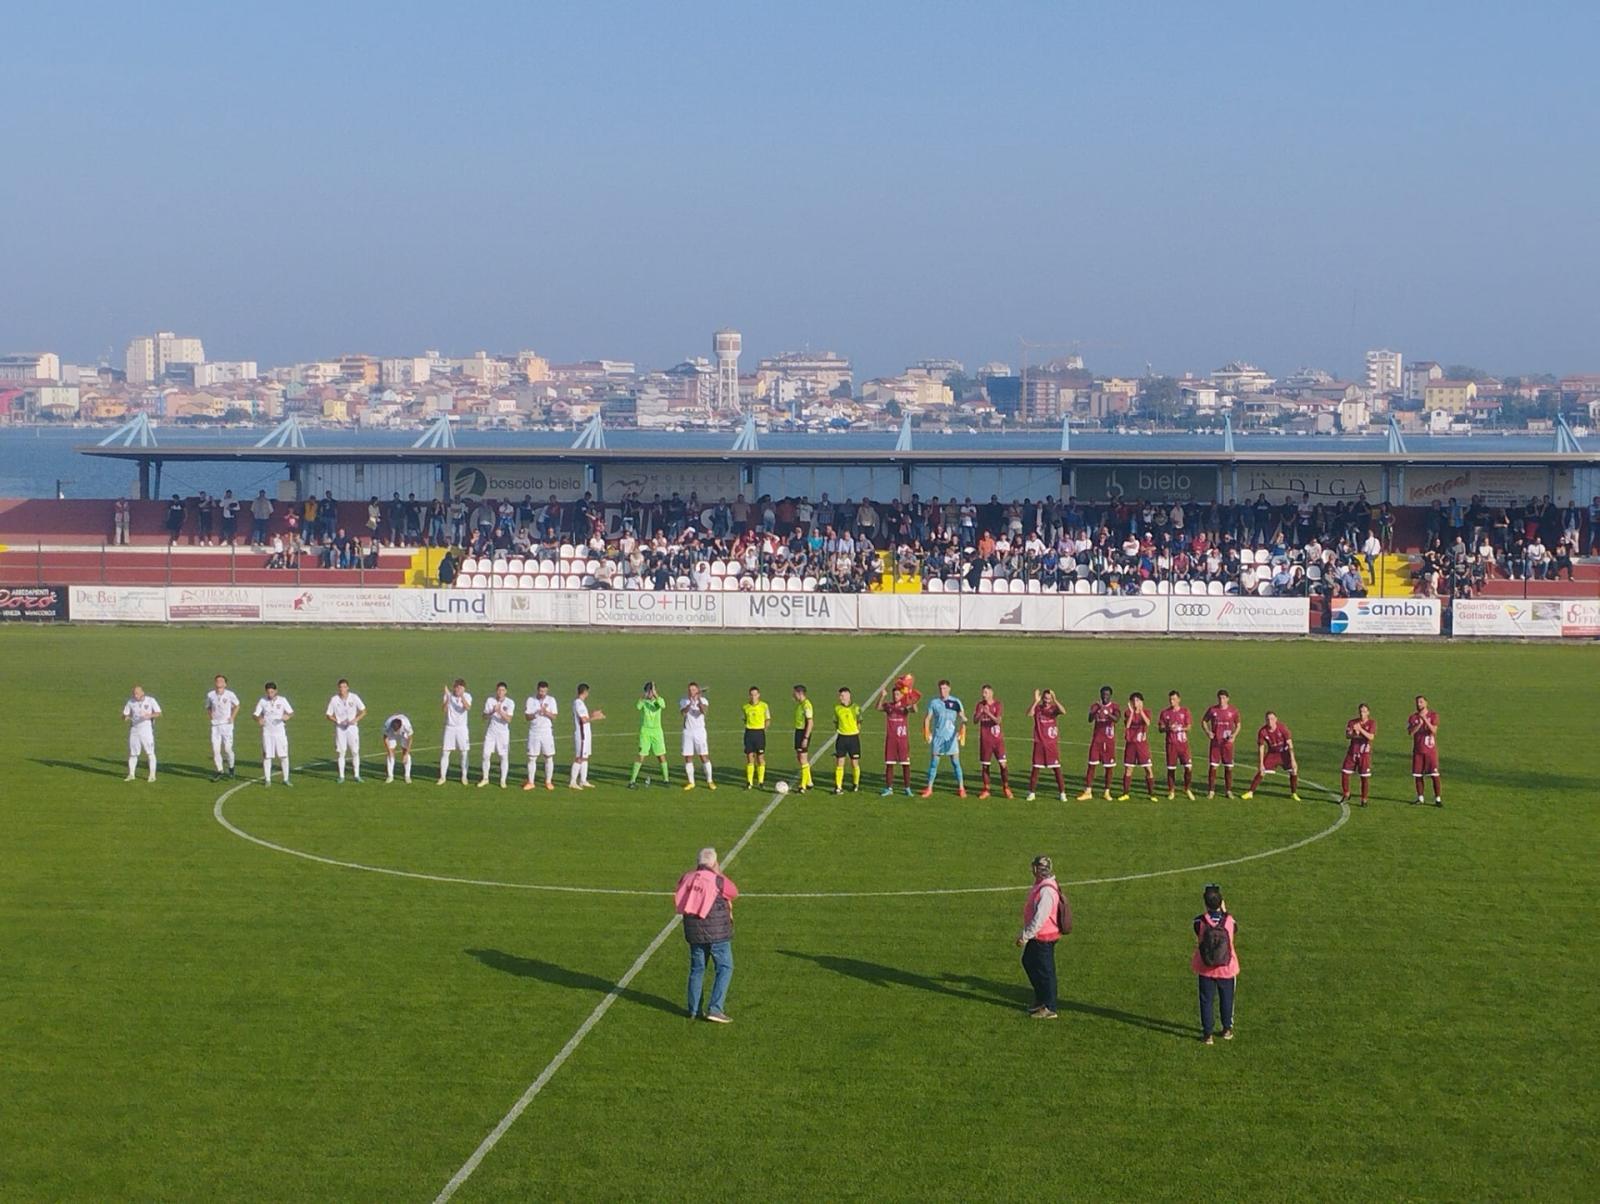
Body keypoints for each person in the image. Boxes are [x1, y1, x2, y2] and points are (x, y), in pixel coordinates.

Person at [675, 847, 739, 1023]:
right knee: (725, 968)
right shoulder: (718, 880)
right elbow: (733, 892)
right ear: (714, 863)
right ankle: (715, 1008)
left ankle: (693, 1009)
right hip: (717, 933)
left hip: (694, 932)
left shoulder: (686, 878)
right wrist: (719, 873)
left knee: (697, 969)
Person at [1015, 854, 1070, 1019]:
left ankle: (1049, 1006)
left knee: (1045, 971)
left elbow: (1040, 918)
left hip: (1043, 937)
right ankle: (1041, 999)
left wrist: (1025, 936)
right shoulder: (1044, 885)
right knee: (1029, 962)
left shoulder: (1046, 891)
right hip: (1041, 936)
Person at [1193, 883, 1239, 1045]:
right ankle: (1227, 1029)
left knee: (1206, 1000)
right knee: (1227, 999)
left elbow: (1197, 931)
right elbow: (1235, 928)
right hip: (1226, 968)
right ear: (1221, 902)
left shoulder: (1199, 921)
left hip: (1206, 968)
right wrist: (1225, 911)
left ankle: (1208, 1035)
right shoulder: (1230, 921)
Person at [920, 679, 967, 798]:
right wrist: (927, 732)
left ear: (949, 689)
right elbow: (927, 719)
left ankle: (961, 788)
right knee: (934, 763)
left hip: (951, 738)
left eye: (945, 688)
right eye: (940, 689)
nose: (942, 691)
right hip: (938, 738)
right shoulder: (934, 703)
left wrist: (961, 731)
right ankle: (929, 788)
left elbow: (962, 717)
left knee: (956, 762)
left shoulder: (956, 702)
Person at [1241, 711, 1299, 800]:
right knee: (1261, 771)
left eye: (1272, 719)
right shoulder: (1263, 731)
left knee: (1294, 770)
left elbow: (1290, 744)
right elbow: (1261, 747)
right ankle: (1250, 792)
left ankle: (1294, 793)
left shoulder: (1282, 728)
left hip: (1284, 753)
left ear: (1276, 719)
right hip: (1272, 754)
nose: (1270, 721)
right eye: (1268, 719)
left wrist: (1293, 759)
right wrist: (1261, 763)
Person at [1077, 685, 1120, 801]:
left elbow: (1116, 719)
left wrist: (1106, 712)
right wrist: (1095, 710)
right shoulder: (1095, 706)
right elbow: (1090, 719)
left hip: (1109, 741)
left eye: (1107, 695)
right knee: (1091, 765)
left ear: (1110, 695)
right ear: (1100, 695)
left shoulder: (1114, 706)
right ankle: (1088, 791)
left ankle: (1107, 791)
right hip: (1096, 741)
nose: (1105, 697)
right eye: (1103, 694)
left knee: (1109, 767)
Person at [877, 676, 918, 796]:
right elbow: (878, 707)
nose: (896, 696)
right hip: (891, 740)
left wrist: (910, 697)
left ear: (902, 695)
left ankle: (907, 788)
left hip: (903, 741)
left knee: (905, 764)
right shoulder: (889, 706)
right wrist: (882, 696)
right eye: (894, 694)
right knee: (889, 764)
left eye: (898, 694)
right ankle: (889, 788)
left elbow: (915, 710)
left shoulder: (905, 706)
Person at [1026, 687, 1067, 802]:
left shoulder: (1054, 709)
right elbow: (1029, 714)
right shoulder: (1038, 709)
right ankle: (1032, 792)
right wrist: (1035, 701)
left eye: (1049, 699)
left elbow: (1063, 711)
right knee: (1036, 769)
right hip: (1039, 743)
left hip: (1051, 745)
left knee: (1056, 769)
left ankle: (1062, 793)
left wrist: (1055, 699)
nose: (1047, 701)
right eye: (1045, 698)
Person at [628, 681, 670, 788]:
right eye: (649, 691)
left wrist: (656, 695)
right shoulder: (643, 702)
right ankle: (632, 781)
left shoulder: (659, 700)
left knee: (661, 755)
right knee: (641, 755)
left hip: (657, 732)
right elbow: (638, 706)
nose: (651, 693)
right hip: (645, 732)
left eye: (652, 691)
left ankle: (666, 780)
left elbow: (663, 705)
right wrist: (644, 697)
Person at [974, 684, 1013, 799]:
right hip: (985, 740)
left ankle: (1006, 788)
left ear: (991, 693)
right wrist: (981, 713)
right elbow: (975, 721)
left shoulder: (998, 704)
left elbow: (998, 721)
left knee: (1003, 764)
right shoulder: (980, 705)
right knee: (985, 766)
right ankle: (986, 789)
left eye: (986, 692)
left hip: (997, 741)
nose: (983, 695)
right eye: (983, 693)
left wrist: (988, 713)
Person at [325, 678, 367, 784]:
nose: (342, 689)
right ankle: (341, 776)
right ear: (338, 688)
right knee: (341, 752)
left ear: (348, 687)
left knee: (355, 751)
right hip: (340, 729)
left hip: (352, 728)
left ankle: (357, 775)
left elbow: (363, 711)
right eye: (340, 687)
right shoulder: (334, 699)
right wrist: (338, 721)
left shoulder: (354, 697)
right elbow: (328, 715)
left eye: (344, 687)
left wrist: (355, 720)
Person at [1202, 689, 1241, 800]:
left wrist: (1234, 735)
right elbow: (1204, 721)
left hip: (1227, 744)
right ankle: (1211, 791)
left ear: (1228, 699)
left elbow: (1238, 725)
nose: (1221, 700)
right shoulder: (1213, 710)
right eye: (1220, 698)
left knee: (1228, 768)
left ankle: (1228, 791)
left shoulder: (1233, 711)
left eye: (1224, 698)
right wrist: (1208, 732)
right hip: (1215, 743)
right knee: (1213, 767)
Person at [253, 682, 294, 787]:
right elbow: (255, 714)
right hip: (267, 733)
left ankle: (286, 779)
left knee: (284, 756)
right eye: (268, 692)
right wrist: (259, 719)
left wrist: (287, 717)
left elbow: (291, 712)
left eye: (272, 692)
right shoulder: (263, 701)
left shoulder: (282, 700)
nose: (270, 694)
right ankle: (267, 780)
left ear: (276, 691)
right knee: (267, 756)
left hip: (280, 733)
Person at [1159, 690, 1195, 800]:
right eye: (1170, 699)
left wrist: (1180, 728)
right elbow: (1160, 728)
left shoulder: (1185, 711)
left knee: (1188, 768)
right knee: (1171, 769)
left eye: (1174, 699)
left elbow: (1189, 727)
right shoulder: (1165, 713)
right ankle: (1171, 791)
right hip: (1171, 745)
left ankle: (1187, 788)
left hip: (1183, 745)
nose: (1172, 701)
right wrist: (1168, 728)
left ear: (1179, 699)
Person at [522, 681, 559, 792]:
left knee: (548, 756)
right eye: (541, 691)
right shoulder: (531, 700)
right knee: (532, 757)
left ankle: (548, 781)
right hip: (534, 732)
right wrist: (536, 713)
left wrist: (546, 712)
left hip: (547, 732)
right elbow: (527, 717)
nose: (542, 693)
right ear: (537, 689)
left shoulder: (551, 700)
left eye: (544, 691)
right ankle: (531, 782)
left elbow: (554, 716)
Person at [1407, 695, 1442, 807]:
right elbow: (1410, 732)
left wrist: (1425, 720)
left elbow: (1433, 731)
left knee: (1434, 775)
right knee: (1418, 775)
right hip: (1418, 750)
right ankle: (1420, 798)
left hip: (1430, 751)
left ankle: (1438, 798)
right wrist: (1419, 724)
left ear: (1426, 703)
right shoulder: (1413, 717)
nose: (1419, 704)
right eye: (1417, 702)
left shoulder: (1433, 715)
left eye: (1421, 702)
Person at [122, 684, 162, 782]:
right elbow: (125, 714)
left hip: (146, 729)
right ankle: (131, 774)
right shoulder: (130, 702)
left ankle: (152, 775)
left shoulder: (150, 700)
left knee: (150, 752)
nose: (135, 695)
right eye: (134, 694)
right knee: (133, 753)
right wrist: (125, 717)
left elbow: (159, 713)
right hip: (134, 729)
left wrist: (149, 715)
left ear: (142, 693)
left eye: (137, 693)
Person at [678, 682, 714, 791]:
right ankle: (691, 782)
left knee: (703, 756)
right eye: (690, 690)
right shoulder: (684, 701)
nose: (691, 691)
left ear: (697, 690)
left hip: (700, 732)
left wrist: (698, 701)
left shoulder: (703, 701)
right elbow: (683, 713)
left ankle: (710, 780)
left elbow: (704, 712)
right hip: (688, 732)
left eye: (693, 689)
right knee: (688, 757)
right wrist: (689, 704)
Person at [204, 673, 239, 781]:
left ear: (225, 684)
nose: (219, 682)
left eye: (221, 681)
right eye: (217, 680)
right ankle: (219, 771)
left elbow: (237, 705)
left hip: (226, 725)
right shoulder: (210, 695)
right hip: (215, 726)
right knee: (216, 750)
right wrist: (211, 717)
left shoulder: (230, 694)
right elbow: (208, 707)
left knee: (228, 749)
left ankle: (231, 767)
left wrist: (232, 717)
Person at [480, 682, 515, 788]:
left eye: (503, 690)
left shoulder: (510, 702)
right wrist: (492, 711)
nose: (501, 692)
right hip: (491, 732)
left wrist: (500, 711)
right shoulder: (490, 701)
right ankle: (485, 778)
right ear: (496, 690)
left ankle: (503, 780)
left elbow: (509, 719)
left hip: (503, 734)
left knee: (503, 756)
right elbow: (484, 717)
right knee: (486, 755)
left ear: (506, 691)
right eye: (499, 690)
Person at [1340, 703, 1376, 807]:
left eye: (1364, 711)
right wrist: (1354, 733)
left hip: (1364, 754)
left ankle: (1364, 799)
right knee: (1345, 772)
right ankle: (1346, 793)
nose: (1362, 713)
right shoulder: (1352, 722)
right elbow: (1347, 735)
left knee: (1364, 777)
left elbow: (1371, 737)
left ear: (1368, 712)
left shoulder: (1372, 723)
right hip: (1352, 752)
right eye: (1360, 711)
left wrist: (1360, 730)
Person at [438, 679, 473, 786]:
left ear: (463, 688)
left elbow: (467, 707)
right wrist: (448, 698)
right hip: (450, 728)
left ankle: (464, 776)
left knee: (464, 752)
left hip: (462, 728)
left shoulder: (467, 696)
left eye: (460, 688)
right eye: (456, 687)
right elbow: (443, 710)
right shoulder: (449, 696)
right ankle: (443, 776)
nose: (458, 689)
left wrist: (461, 696)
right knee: (445, 752)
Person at [569, 683, 603, 789]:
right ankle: (573, 782)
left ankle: (583, 780)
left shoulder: (581, 703)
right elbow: (583, 719)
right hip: (582, 735)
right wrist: (595, 717)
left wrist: (592, 714)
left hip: (586, 734)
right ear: (585, 692)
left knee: (585, 757)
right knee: (579, 758)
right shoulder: (578, 703)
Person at [833, 687, 862, 794]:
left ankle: (855, 784)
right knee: (840, 763)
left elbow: (859, 722)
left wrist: (856, 731)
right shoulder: (837, 708)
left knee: (854, 763)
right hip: (842, 738)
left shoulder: (856, 708)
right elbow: (835, 722)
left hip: (853, 738)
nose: (840, 698)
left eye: (842, 695)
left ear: (848, 696)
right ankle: (838, 787)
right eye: (840, 696)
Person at [741, 686, 770, 789]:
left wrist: (764, 730)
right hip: (749, 733)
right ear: (749, 695)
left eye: (755, 694)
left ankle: (761, 781)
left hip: (759, 733)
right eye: (751, 695)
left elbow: (767, 719)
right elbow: (745, 719)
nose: (753, 697)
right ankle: (749, 782)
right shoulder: (745, 707)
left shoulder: (764, 706)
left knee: (760, 757)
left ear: (759, 695)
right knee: (749, 757)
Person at [791, 684, 814, 793]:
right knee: (800, 758)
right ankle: (809, 782)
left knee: (803, 759)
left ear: (800, 693)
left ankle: (802, 786)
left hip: (803, 733)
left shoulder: (806, 705)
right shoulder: (800, 704)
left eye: (794, 693)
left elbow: (810, 722)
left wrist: (806, 737)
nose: (793, 695)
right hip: (798, 732)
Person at [383, 713, 414, 783]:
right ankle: (390, 776)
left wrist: (406, 754)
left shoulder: (406, 725)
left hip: (404, 733)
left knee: (405, 751)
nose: (396, 732)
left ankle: (407, 776)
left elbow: (410, 739)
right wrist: (389, 751)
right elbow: (385, 738)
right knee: (390, 752)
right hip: (391, 734)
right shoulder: (388, 724)